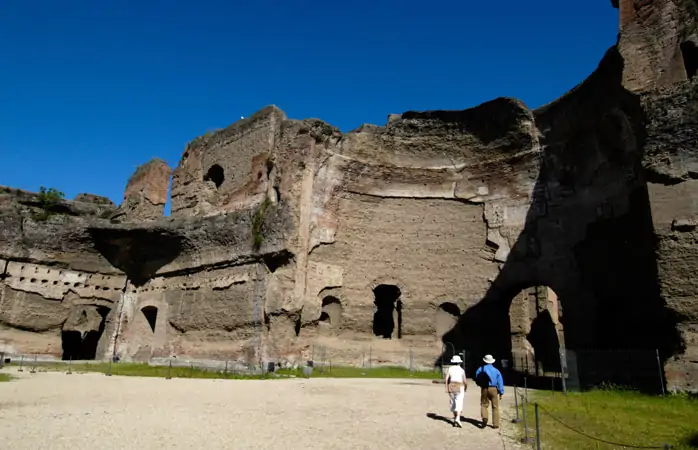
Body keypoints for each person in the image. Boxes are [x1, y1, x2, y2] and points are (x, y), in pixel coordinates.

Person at [474, 354, 504, 429]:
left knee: (484, 404)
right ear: (492, 362)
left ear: (484, 361)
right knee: (495, 407)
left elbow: (477, 378)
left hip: (484, 388)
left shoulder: (481, 369)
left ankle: (485, 417)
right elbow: (500, 381)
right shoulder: (496, 371)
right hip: (494, 389)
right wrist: (501, 392)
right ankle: (495, 424)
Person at [444, 355, 467, 427]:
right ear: (459, 362)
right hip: (459, 385)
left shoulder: (450, 369)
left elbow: (446, 378)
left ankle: (455, 418)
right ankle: (458, 418)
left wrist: (446, 387)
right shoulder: (461, 370)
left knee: (453, 401)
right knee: (459, 401)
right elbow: (465, 381)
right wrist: (466, 387)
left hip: (451, 384)